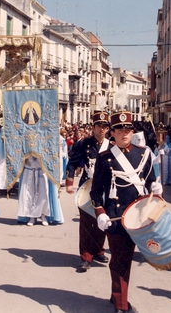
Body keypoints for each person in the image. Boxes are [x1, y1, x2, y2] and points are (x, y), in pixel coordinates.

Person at [90, 111, 163, 313]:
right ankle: (122, 304)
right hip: (116, 216)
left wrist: (157, 188)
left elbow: (151, 181)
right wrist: (100, 212)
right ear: (112, 132)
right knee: (120, 259)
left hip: (139, 216)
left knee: (126, 259)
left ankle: (116, 295)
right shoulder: (105, 158)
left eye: (128, 129)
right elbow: (96, 191)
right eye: (120, 129)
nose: (124, 133)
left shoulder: (143, 153)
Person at [66, 110, 110, 273]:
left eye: (105, 126)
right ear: (93, 127)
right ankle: (86, 256)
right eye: (99, 126)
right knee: (86, 223)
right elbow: (72, 163)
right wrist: (70, 181)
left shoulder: (112, 146)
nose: (102, 129)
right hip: (87, 187)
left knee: (103, 220)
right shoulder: (83, 144)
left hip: (105, 188)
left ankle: (99, 250)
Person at [17, 155, 51, 226]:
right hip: (29, 167)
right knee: (29, 193)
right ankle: (32, 216)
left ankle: (43, 215)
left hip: (41, 167)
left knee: (43, 195)